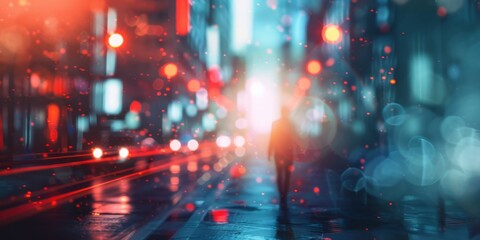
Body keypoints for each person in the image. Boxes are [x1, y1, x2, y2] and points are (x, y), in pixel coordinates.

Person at [268, 106, 300, 207]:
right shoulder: (291, 124)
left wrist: (269, 152)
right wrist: (298, 151)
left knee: (280, 174)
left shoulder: (276, 123)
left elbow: (272, 139)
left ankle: (282, 194)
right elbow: (295, 139)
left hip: (279, 153)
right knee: (287, 175)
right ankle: (284, 195)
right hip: (288, 153)